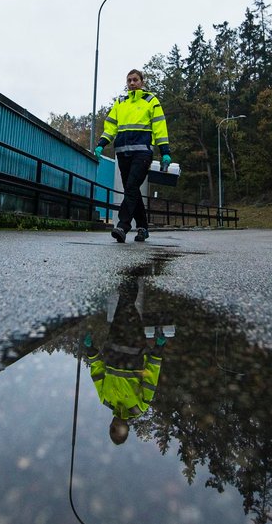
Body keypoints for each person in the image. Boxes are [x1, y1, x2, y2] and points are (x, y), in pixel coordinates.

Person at [82, 278, 169, 445]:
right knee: (127, 307)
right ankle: (130, 277)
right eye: (119, 431)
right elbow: (152, 376)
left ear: (110, 425)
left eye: (112, 429)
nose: (115, 426)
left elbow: (97, 370)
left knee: (123, 307)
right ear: (127, 429)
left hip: (114, 342)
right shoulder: (139, 407)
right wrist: (158, 349)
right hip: (134, 345)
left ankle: (129, 277)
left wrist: (90, 349)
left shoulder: (105, 399)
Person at [94, 69, 172, 243]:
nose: (131, 83)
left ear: (142, 82)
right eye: (129, 80)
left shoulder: (151, 101)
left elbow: (160, 127)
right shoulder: (120, 102)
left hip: (142, 152)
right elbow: (111, 127)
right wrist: (101, 144)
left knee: (130, 187)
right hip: (122, 152)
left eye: (135, 80)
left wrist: (165, 151)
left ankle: (123, 225)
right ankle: (143, 228)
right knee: (133, 190)